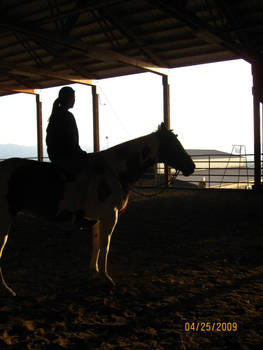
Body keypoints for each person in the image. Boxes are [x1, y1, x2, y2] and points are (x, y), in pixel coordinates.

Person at [46, 86, 87, 176]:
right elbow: (71, 141)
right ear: (68, 98)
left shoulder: (55, 115)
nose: (74, 100)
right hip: (66, 156)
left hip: (56, 155)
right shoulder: (67, 116)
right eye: (73, 98)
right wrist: (81, 154)